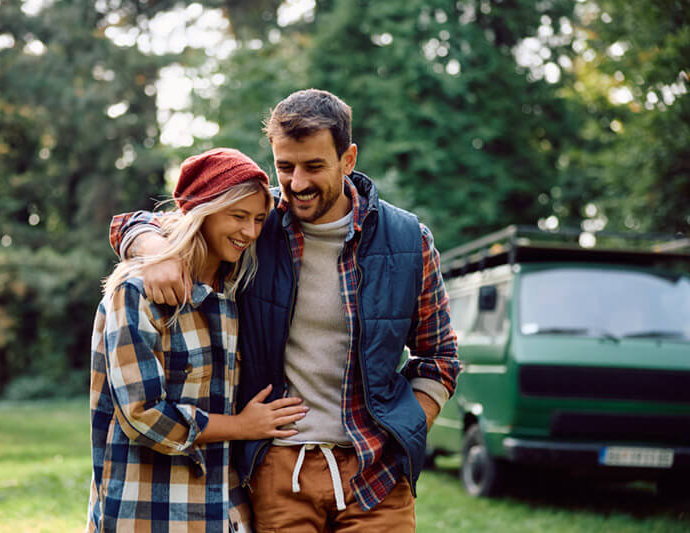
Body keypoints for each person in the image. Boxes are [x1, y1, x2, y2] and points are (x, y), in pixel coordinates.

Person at [109, 90, 461, 531]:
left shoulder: (409, 241)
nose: (296, 183)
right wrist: (156, 250)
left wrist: (407, 426)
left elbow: (440, 356)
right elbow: (135, 222)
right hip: (279, 469)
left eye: (314, 166)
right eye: (284, 166)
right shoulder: (256, 224)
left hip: (377, 471)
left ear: (347, 159)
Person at [87, 148, 309, 533]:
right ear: (203, 212)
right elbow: (143, 415)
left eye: (259, 219)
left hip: (224, 512)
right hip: (148, 511)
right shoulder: (138, 292)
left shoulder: (235, 295)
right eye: (238, 217)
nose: (250, 232)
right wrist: (241, 426)